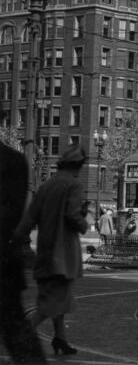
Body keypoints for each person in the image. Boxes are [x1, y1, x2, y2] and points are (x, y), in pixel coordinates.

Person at [14, 144, 90, 357]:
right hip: (63, 256)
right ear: (78, 166)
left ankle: (60, 338)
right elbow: (73, 214)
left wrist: (15, 239)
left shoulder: (46, 186)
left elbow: (29, 217)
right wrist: (84, 222)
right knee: (49, 305)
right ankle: (21, 338)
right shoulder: (74, 185)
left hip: (45, 254)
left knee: (56, 299)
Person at [0, 141, 47, 363]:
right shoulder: (14, 160)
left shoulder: (12, 161)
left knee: (16, 329)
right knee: (17, 330)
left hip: (4, 269)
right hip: (4, 267)